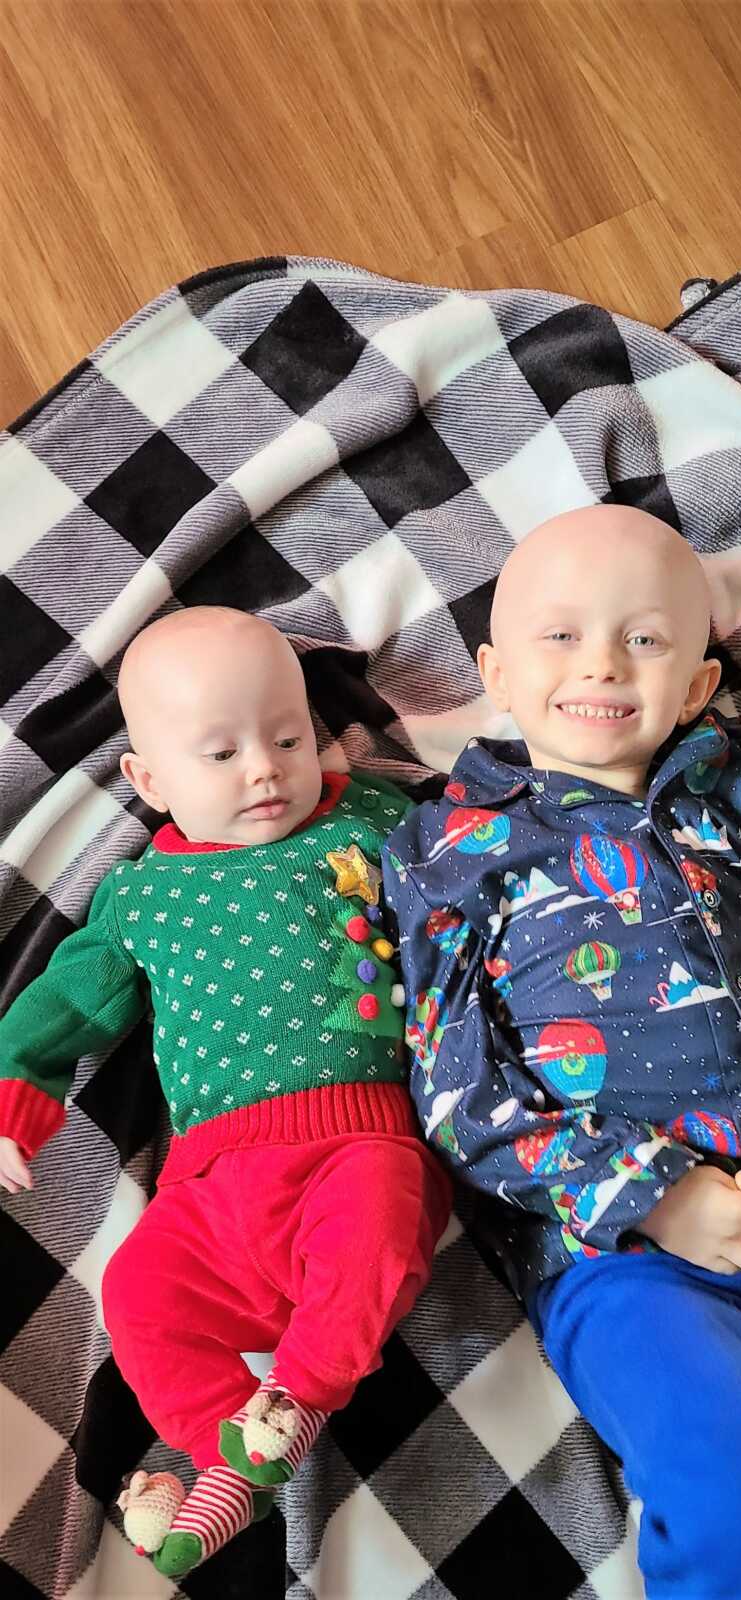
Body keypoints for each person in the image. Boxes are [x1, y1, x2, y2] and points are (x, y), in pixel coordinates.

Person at [383, 507, 741, 1600]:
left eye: (644, 639)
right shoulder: (449, 845)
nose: (602, 662)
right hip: (616, 1258)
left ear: (699, 687)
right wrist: (655, 1197)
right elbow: (454, 1086)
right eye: (559, 637)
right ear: (496, 674)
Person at [0, 607, 450, 1578]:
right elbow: (67, 1004)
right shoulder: (140, 897)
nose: (265, 767)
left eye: (289, 736)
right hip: (207, 1190)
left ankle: (298, 1396)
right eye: (221, 752)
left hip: (358, 1142)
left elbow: (465, 871)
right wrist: (15, 1096)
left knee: (375, 1227)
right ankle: (225, 1457)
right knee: (138, 1291)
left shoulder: (370, 817)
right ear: (150, 782)